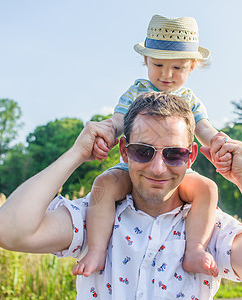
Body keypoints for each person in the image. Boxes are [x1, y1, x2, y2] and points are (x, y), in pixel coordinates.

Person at [0, 92, 242, 299]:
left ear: (191, 157)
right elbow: (6, 230)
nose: (158, 168)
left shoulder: (212, 231)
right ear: (124, 151)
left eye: (173, 154)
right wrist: (75, 155)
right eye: (144, 151)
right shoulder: (93, 216)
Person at [77, 14, 229, 277]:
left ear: (191, 67)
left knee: (207, 188)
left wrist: (217, 140)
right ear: (146, 60)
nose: (167, 75)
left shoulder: (190, 100)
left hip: (175, 165)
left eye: (178, 68)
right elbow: (118, 121)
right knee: (103, 185)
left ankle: (195, 249)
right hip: (134, 165)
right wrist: (105, 133)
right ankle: (97, 250)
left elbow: (203, 128)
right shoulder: (136, 92)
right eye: (158, 64)